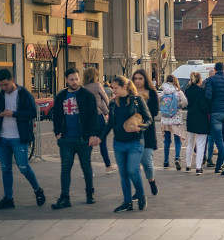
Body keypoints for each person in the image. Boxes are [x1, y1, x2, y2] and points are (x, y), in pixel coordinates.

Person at [0, 69, 45, 210]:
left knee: (23, 167)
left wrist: (13, 113)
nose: (4, 88)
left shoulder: (24, 94)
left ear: (12, 80)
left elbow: (32, 113)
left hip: (19, 138)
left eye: (6, 84)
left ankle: (37, 189)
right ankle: (8, 198)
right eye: (1, 85)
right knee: (5, 169)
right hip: (3, 138)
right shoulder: (0, 96)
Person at [51, 68, 101, 209]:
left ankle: (90, 193)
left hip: (83, 138)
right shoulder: (61, 96)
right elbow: (57, 116)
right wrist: (58, 133)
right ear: (66, 80)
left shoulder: (87, 95)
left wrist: (92, 134)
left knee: (86, 166)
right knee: (65, 168)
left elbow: (93, 116)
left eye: (77, 79)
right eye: (72, 79)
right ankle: (65, 197)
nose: (74, 82)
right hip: (66, 139)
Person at [101, 76, 152, 212]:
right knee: (123, 173)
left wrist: (140, 128)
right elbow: (110, 123)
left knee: (132, 170)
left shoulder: (137, 100)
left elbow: (149, 119)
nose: (113, 91)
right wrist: (100, 138)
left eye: (115, 88)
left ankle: (141, 195)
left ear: (124, 87)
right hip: (119, 143)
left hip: (135, 142)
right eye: (112, 88)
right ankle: (127, 202)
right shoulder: (113, 103)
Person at [83, 67, 116, 174]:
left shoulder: (84, 87)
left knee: (88, 144)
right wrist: (108, 111)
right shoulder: (97, 85)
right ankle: (108, 166)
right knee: (102, 141)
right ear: (94, 75)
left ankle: (88, 170)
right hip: (98, 117)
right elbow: (105, 99)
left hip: (88, 118)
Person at [132, 69, 160, 195]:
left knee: (146, 161)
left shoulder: (152, 93)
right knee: (134, 164)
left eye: (140, 78)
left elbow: (154, 112)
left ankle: (152, 181)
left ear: (145, 79)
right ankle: (138, 190)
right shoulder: (130, 93)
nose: (137, 81)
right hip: (133, 131)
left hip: (147, 130)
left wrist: (142, 108)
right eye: (135, 79)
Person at [159, 74, 187, 170]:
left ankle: (166, 161)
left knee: (167, 141)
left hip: (165, 119)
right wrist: (178, 105)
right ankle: (177, 157)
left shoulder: (163, 93)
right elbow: (185, 102)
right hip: (176, 119)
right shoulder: (178, 93)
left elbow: (158, 100)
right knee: (177, 140)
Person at [184, 71, 210, 175]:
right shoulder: (202, 91)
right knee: (200, 144)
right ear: (199, 80)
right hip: (201, 119)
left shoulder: (187, 91)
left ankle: (188, 165)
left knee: (190, 143)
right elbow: (203, 106)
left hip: (190, 118)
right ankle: (198, 167)